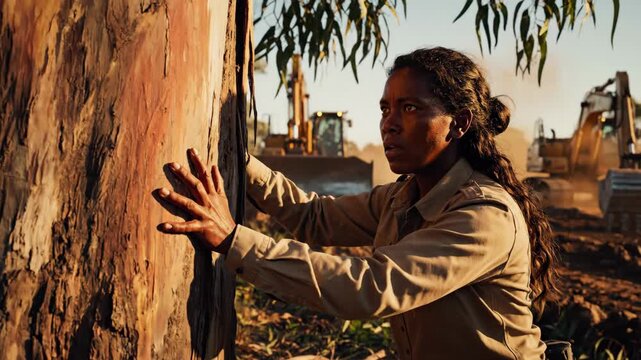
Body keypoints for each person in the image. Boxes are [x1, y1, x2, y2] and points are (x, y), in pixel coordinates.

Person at [154, 47, 560, 359]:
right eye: (385, 108)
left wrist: (232, 240)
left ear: (460, 123)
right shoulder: (402, 196)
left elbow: (370, 287)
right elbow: (315, 217)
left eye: (411, 108)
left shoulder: (483, 216)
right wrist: (239, 161)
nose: (390, 122)